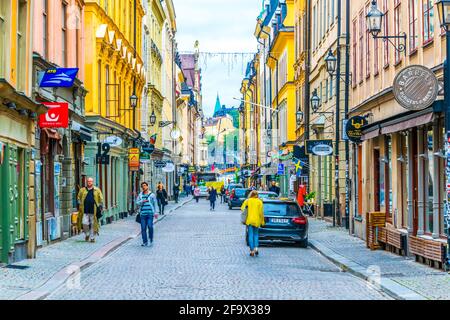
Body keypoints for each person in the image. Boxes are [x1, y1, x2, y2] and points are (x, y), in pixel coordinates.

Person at [77, 177, 104, 243]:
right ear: (86, 182)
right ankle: (87, 234)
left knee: (93, 224)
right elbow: (78, 197)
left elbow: (101, 199)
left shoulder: (97, 190)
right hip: (85, 210)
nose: (89, 182)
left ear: (93, 182)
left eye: (91, 181)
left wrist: (100, 206)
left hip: (93, 211)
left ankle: (92, 238)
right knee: (84, 223)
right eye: (88, 181)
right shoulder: (82, 190)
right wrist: (80, 203)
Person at [241, 191, 265, 257]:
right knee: (256, 235)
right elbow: (261, 213)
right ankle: (256, 248)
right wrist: (262, 221)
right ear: (257, 195)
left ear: (251, 194)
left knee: (250, 235)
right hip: (257, 221)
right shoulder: (259, 202)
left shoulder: (248, 201)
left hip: (249, 221)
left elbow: (242, 208)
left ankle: (252, 251)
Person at [136, 182, 157, 247]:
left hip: (150, 214)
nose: (144, 187)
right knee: (143, 228)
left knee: (150, 226)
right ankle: (145, 242)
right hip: (142, 214)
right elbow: (137, 203)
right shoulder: (140, 195)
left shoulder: (152, 195)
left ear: (147, 186)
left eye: (145, 186)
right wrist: (142, 201)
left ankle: (151, 239)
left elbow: (155, 204)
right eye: (142, 186)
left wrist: (156, 212)